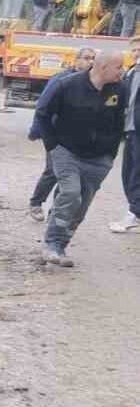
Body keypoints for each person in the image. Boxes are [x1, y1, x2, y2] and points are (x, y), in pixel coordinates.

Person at [32, 52, 125, 266]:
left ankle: (61, 245)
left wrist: (110, 154)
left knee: (81, 205)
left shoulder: (119, 89)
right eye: (118, 67)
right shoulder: (67, 85)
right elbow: (43, 113)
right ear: (103, 67)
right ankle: (52, 244)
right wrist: (52, 146)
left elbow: (119, 121)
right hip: (67, 151)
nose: (122, 71)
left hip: (99, 159)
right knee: (71, 193)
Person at [28, 47, 97, 221]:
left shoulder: (94, 83)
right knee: (53, 171)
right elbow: (43, 107)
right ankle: (36, 203)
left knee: (68, 178)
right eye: (87, 58)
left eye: (93, 58)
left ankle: (56, 211)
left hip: (77, 138)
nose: (90, 62)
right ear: (77, 60)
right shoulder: (61, 79)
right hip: (56, 135)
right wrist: (38, 131)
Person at [109, 36, 140, 232]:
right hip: (130, 130)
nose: (137, 54)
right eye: (135, 50)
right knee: (128, 171)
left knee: (136, 173)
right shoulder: (131, 73)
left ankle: (133, 214)